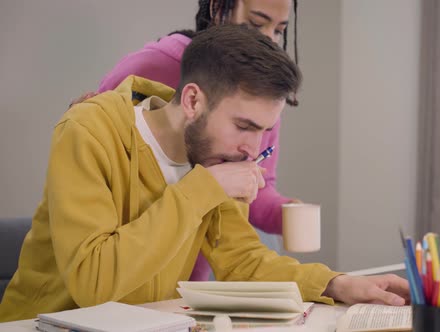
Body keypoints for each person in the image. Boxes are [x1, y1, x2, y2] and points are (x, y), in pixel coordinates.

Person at [0, 25, 409, 322]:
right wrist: (202, 189)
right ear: (194, 100)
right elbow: (94, 283)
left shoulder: (213, 157)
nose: (253, 149)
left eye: (264, 131)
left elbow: (244, 262)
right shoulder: (88, 131)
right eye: (244, 126)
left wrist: (336, 284)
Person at [83, 0, 302, 283]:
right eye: (256, 24)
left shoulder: (260, 101)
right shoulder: (147, 71)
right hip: (107, 284)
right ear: (217, 9)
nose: (268, 39)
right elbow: (94, 145)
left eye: (279, 31)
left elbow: (243, 244)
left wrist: (331, 281)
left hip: (178, 292)